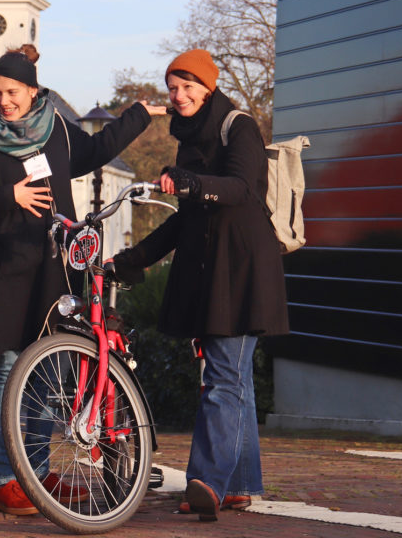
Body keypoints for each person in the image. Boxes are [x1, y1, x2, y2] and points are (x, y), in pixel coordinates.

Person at [0, 44, 165, 514]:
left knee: (49, 376)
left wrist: (137, 115)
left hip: (56, 271)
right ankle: (6, 479)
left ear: (33, 90)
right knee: (10, 373)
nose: (4, 100)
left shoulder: (58, 130)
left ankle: (37, 471)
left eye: (13, 91)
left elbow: (98, 149)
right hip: (6, 272)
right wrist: (7, 197)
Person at [111, 49, 289, 522]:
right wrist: (132, 258)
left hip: (243, 268)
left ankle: (207, 480)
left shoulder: (238, 125)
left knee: (223, 377)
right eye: (172, 87)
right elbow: (182, 223)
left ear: (209, 87)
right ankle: (237, 484)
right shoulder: (188, 138)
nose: (179, 95)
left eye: (188, 86)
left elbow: (242, 188)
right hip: (213, 270)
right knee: (236, 379)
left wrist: (190, 182)